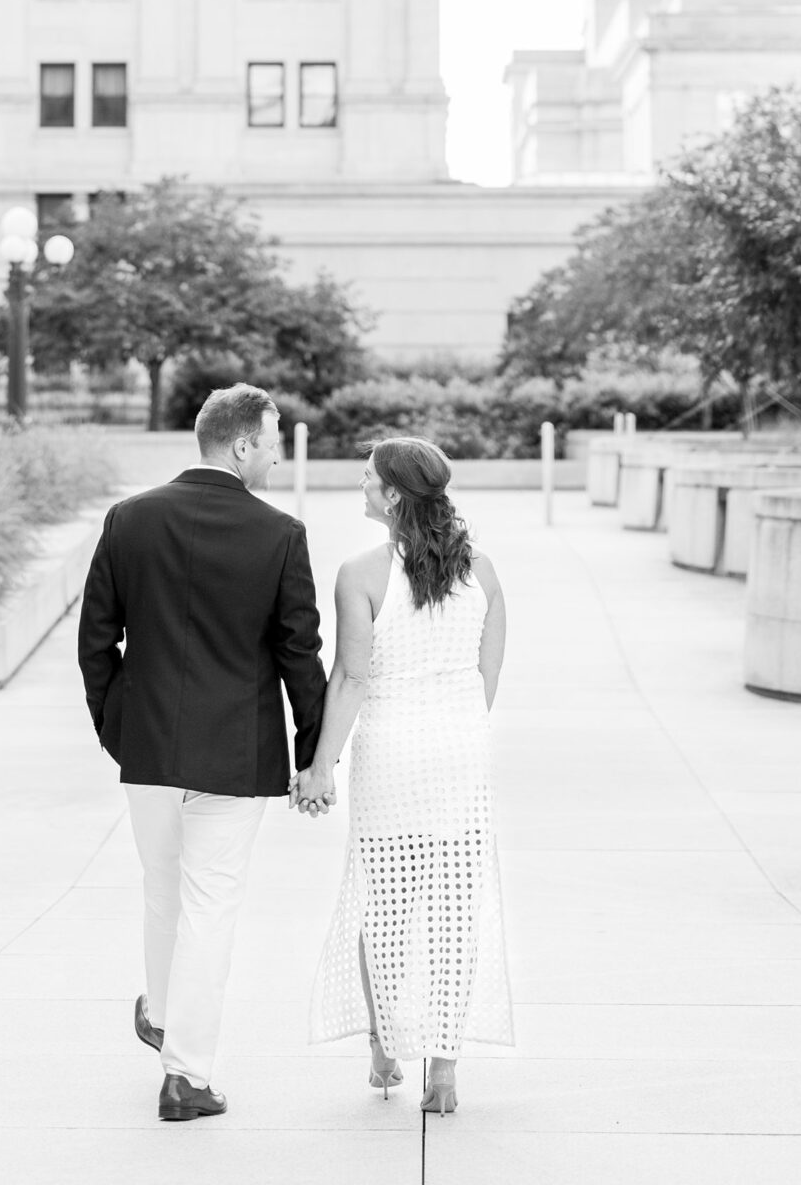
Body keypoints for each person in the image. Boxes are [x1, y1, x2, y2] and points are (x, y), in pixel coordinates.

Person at [77, 382, 329, 1124]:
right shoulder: (280, 535)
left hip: (147, 747)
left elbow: (98, 641)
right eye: (274, 438)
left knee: (163, 893)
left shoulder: (130, 519)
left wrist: (115, 727)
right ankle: (185, 1074)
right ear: (242, 444)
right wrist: (311, 754)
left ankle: (163, 1019)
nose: (279, 454)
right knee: (210, 904)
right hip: (237, 754)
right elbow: (299, 657)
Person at [297, 436, 512, 1115]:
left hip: (391, 752)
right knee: (453, 912)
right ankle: (444, 1072)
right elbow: (486, 676)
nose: (359, 486)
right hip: (460, 752)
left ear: (392, 494)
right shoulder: (482, 571)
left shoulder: (359, 574)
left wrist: (320, 766)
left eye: (367, 478)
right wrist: (455, 730)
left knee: (385, 907)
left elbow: (353, 677)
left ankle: (385, 1046)